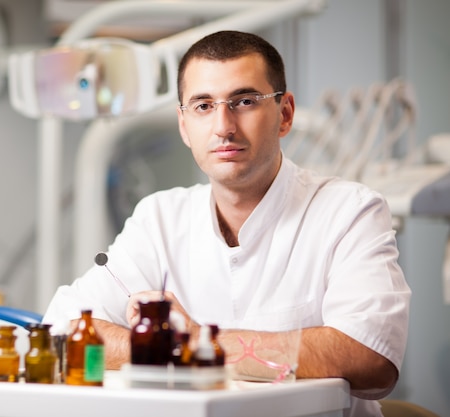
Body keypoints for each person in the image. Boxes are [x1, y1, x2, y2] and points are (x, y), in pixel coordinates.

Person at [42, 30, 410, 416]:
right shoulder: (160, 218)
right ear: (184, 125)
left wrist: (195, 341)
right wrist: (173, 346)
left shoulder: (349, 211)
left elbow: (370, 357)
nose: (223, 126)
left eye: (245, 101)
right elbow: (63, 330)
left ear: (284, 115)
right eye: (202, 106)